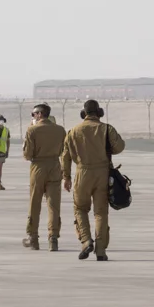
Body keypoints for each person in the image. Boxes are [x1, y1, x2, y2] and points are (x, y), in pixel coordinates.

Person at [62, 100, 125, 261]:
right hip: (102, 173)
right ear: (99, 112)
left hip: (82, 173)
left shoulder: (73, 131)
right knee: (100, 213)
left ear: (84, 113)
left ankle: (86, 240)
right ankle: (101, 250)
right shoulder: (106, 129)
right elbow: (119, 147)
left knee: (80, 208)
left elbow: (66, 156)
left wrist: (67, 177)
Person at [22, 103, 67, 251]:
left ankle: (33, 237)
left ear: (40, 114)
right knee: (53, 205)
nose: (33, 117)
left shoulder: (32, 130)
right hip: (55, 166)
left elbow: (27, 155)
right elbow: (62, 150)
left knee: (35, 203)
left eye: (34, 114)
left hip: (38, 167)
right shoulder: (60, 130)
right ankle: (53, 237)